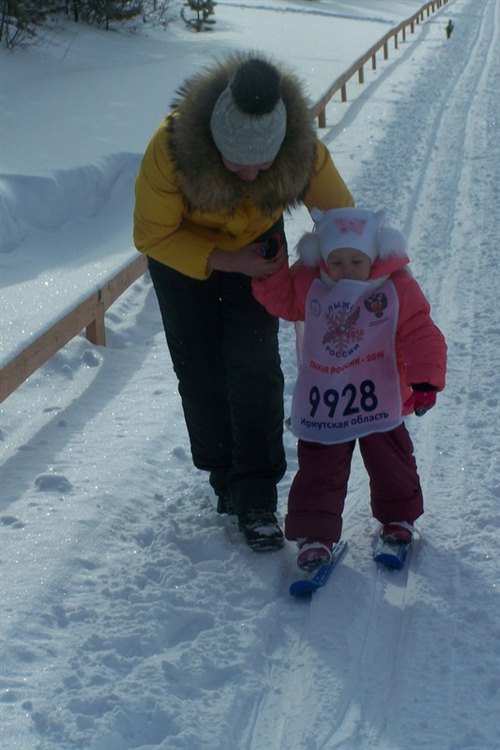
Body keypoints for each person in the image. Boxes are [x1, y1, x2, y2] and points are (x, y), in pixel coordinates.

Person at [133, 53, 354, 551]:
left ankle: (256, 498)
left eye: (263, 164)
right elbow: (151, 234)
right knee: (201, 369)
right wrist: (228, 261)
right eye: (237, 163)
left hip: (259, 251)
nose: (252, 175)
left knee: (254, 366)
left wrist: (359, 274)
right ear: (214, 144)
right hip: (182, 256)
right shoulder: (172, 148)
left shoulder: (301, 151)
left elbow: (342, 218)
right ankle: (224, 479)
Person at [252, 207, 447, 569]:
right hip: (327, 396)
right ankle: (314, 534)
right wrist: (271, 270)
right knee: (319, 465)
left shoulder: (395, 287)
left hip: (379, 393)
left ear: (374, 256)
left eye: (356, 261)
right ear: (322, 258)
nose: (345, 270)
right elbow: (282, 301)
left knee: (391, 460)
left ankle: (398, 519)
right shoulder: (312, 284)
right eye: (336, 261)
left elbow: (420, 330)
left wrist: (425, 380)